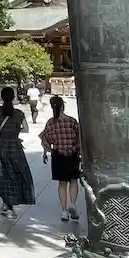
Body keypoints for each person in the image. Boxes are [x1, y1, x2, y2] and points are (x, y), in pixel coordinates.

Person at [0, 87, 36, 217]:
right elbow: (26, 129)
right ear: (13, 97)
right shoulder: (19, 113)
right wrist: (15, 131)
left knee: (1, 175)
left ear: (2, 97)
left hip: (1, 147)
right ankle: (9, 204)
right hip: (15, 147)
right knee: (16, 174)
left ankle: (7, 204)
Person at [40, 94, 81, 223]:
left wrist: (47, 151)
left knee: (62, 183)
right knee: (73, 180)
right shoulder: (72, 121)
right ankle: (72, 204)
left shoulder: (51, 123)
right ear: (63, 106)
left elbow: (45, 139)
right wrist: (77, 149)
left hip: (58, 155)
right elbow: (79, 138)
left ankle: (64, 211)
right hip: (72, 155)